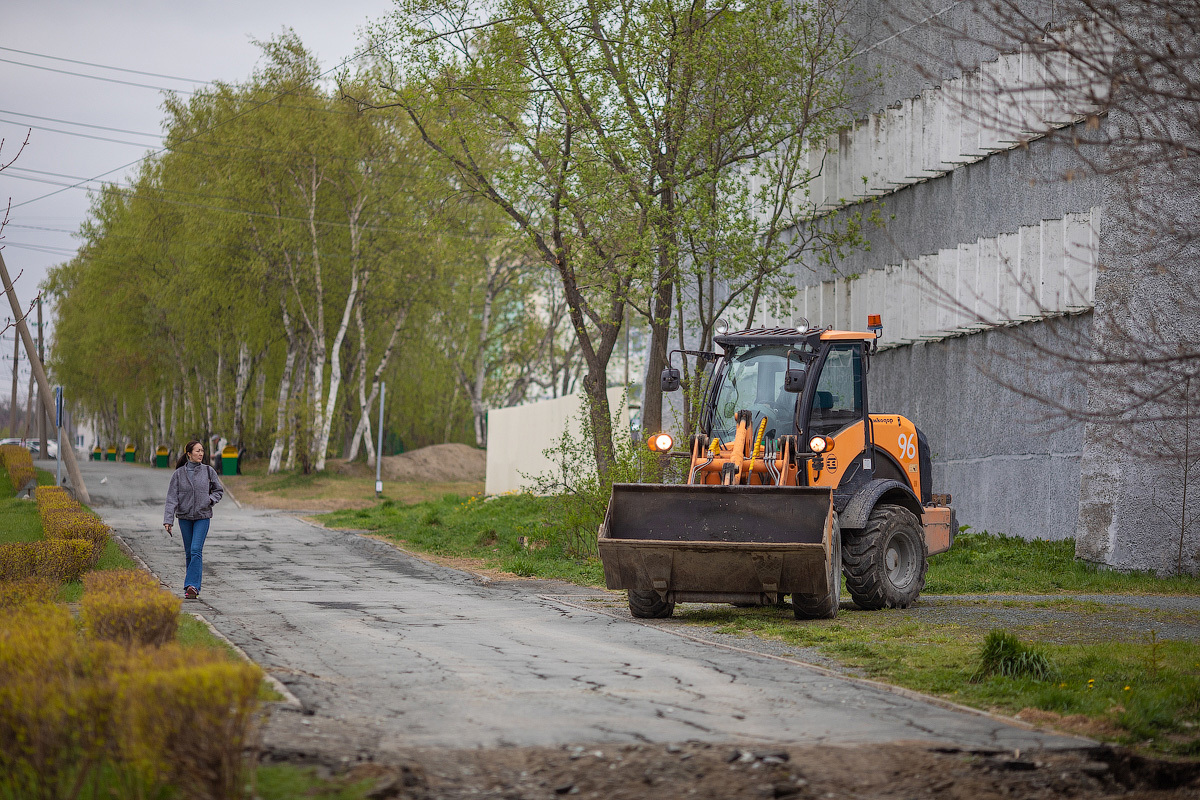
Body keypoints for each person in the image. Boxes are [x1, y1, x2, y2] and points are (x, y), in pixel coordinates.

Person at [163, 440, 224, 599]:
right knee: (189, 552)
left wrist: (210, 500)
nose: (201, 454)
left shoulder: (208, 471)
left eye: (202, 451)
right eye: (197, 451)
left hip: (202, 517)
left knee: (196, 549)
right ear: (189, 454)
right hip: (184, 517)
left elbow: (218, 490)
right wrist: (168, 520)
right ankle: (191, 587)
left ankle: (192, 586)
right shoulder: (178, 475)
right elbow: (171, 498)